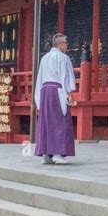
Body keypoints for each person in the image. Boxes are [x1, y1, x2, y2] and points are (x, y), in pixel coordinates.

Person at [34, 33, 76, 165]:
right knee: (59, 122)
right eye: (66, 43)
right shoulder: (63, 58)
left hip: (45, 91)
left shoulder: (44, 58)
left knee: (46, 122)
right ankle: (58, 154)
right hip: (58, 91)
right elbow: (66, 77)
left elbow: (40, 78)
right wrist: (69, 93)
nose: (66, 46)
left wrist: (38, 98)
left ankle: (46, 155)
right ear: (61, 44)